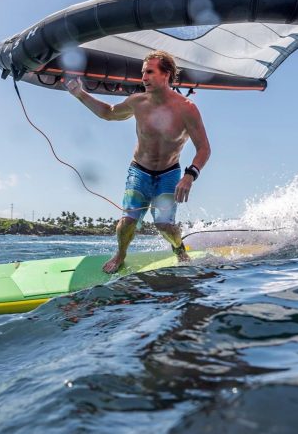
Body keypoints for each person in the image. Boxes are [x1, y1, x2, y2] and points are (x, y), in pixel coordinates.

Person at [66, 50, 211, 273]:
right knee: (128, 221)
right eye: (143, 73)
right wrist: (80, 94)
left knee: (164, 226)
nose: (143, 78)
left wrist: (190, 175)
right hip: (139, 171)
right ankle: (121, 254)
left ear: (166, 74)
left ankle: (179, 248)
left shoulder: (186, 109)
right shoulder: (137, 102)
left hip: (169, 173)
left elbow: (204, 148)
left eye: (150, 72)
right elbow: (108, 112)